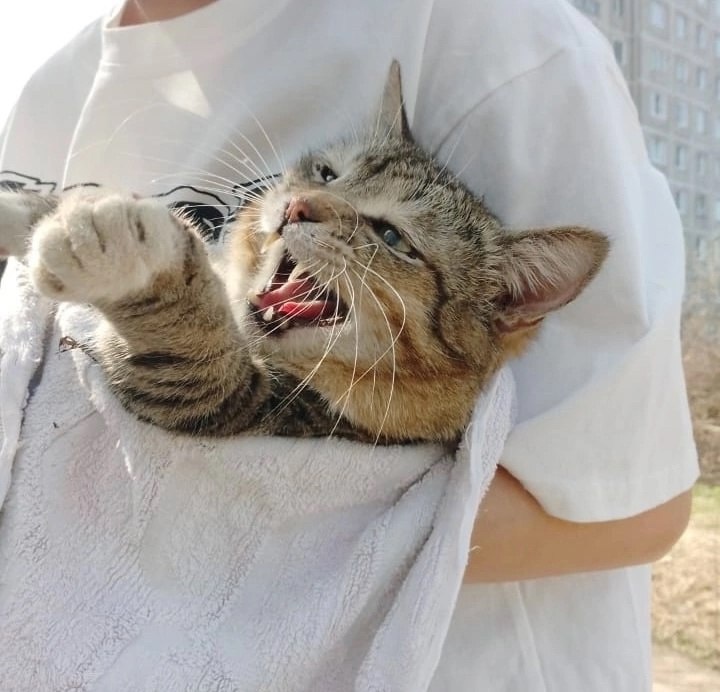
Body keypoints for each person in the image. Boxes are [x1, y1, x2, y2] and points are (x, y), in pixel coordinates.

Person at [0, 0, 698, 689]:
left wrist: (161, 287)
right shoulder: (48, 86)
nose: (309, 205)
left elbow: (633, 506)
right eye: (327, 176)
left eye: (390, 235)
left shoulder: (499, 34)